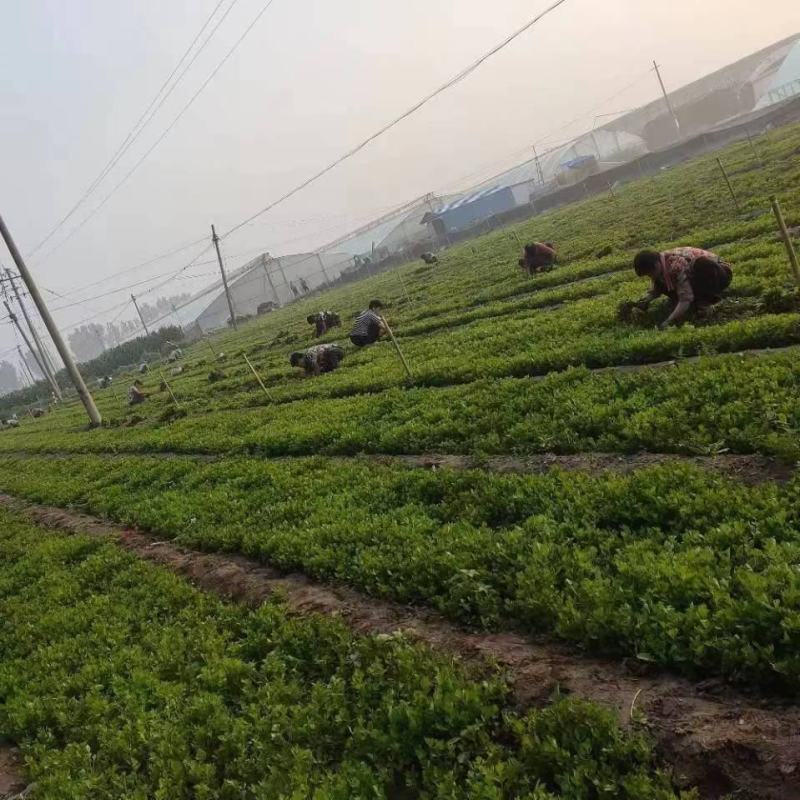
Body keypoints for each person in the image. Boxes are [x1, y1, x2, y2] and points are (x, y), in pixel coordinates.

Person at [633, 247, 733, 329]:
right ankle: (697, 300)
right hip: (697, 278)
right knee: (664, 283)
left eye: (649, 274)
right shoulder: (659, 262)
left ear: (655, 265)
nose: (650, 277)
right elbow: (656, 289)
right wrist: (643, 302)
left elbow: (685, 299)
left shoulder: (675, 265)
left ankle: (706, 300)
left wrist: (668, 321)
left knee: (701, 263)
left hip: (720, 274)